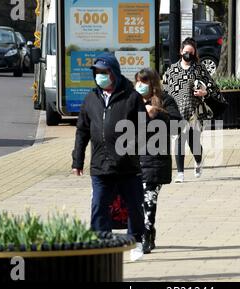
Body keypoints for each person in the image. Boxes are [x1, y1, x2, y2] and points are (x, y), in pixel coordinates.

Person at [71, 53, 147, 261]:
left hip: (127, 166)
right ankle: (101, 244)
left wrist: (131, 151)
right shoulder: (91, 98)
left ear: (113, 73)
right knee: (98, 205)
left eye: (103, 72)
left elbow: (143, 129)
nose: (99, 76)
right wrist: (77, 160)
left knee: (134, 205)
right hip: (100, 165)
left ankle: (136, 241)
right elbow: (82, 131)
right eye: (97, 73)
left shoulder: (132, 97)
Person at [163, 37, 223, 183]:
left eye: (191, 52)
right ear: (180, 52)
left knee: (193, 141)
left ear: (194, 52)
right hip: (177, 111)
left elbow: (212, 87)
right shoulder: (172, 70)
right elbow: (165, 90)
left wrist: (205, 93)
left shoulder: (199, 69)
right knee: (179, 139)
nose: (188, 54)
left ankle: (198, 160)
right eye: (185, 52)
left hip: (195, 111)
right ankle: (180, 173)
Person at [135, 68, 182, 253]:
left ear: (153, 84)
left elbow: (177, 124)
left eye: (144, 82)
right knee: (137, 201)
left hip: (155, 159)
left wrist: (158, 114)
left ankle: (146, 231)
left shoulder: (165, 100)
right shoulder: (132, 100)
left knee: (149, 197)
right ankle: (146, 229)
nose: (140, 85)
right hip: (134, 159)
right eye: (138, 81)